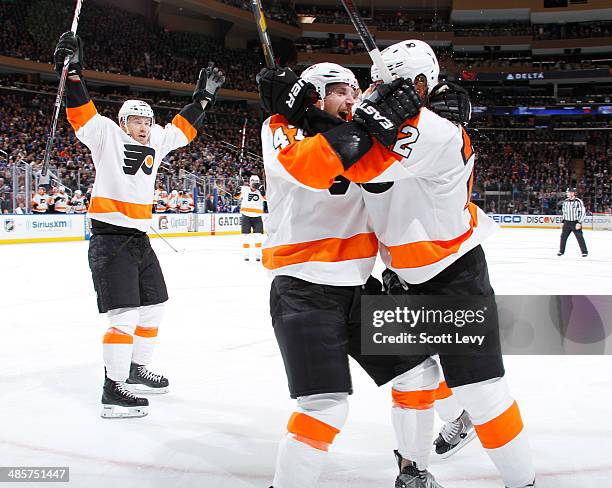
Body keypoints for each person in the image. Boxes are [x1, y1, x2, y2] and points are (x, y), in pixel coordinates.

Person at [347, 40, 535, 488]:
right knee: (411, 375)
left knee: (482, 391)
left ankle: (523, 480)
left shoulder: (436, 129)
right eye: (374, 81)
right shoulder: (402, 121)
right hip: (400, 278)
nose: (374, 90)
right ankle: (413, 471)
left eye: (386, 83)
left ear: (416, 85)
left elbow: (353, 162)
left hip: (452, 276)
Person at [258, 62, 426, 488]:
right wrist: (362, 126)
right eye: (338, 91)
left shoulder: (365, 131)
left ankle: (413, 473)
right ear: (312, 95)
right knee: (326, 407)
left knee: (420, 375)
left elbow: (402, 179)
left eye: (355, 90)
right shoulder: (280, 127)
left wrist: (436, 112)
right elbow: (311, 168)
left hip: (358, 288)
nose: (352, 98)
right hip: (305, 289)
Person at [53, 31, 225, 418]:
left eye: (147, 119)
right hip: (110, 239)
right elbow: (81, 110)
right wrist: (73, 72)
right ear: (123, 122)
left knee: (155, 307)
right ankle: (112, 389)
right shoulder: (105, 135)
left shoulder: (158, 140)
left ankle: (134, 368)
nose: (144, 125)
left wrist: (202, 99)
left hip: (138, 240)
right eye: (136, 119)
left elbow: (182, 129)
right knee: (124, 316)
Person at [237, 174, 265, 261]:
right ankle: (246, 255)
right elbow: (236, 197)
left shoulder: (261, 189)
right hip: (246, 216)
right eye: (253, 181)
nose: (254, 183)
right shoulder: (245, 189)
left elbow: (267, 199)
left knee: (258, 237)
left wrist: (262, 192)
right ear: (250, 182)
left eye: (256, 182)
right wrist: (238, 188)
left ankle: (258, 255)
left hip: (257, 217)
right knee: (246, 237)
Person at [558, 187, 588, 257]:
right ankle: (561, 251)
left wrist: (579, 222)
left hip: (575, 222)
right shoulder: (565, 201)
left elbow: (583, 212)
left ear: (573, 193)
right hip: (567, 222)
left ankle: (584, 252)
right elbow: (564, 212)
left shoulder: (578, 201)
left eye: (568, 192)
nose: (567, 194)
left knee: (579, 237)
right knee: (563, 237)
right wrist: (563, 221)